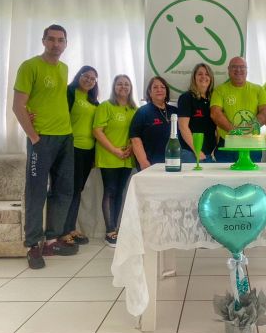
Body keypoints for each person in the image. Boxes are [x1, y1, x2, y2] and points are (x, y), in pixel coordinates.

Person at [12, 24, 78, 269]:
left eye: (61, 40)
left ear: (66, 44)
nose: (56, 44)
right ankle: (32, 245)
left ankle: (51, 240)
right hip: (41, 139)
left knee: (64, 191)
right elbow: (17, 106)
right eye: (51, 39)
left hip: (65, 137)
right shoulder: (29, 66)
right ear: (43, 41)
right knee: (36, 192)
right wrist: (34, 138)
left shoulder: (64, 68)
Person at [93, 75, 137, 247]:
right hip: (109, 156)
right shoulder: (106, 106)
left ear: (131, 88)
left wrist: (130, 148)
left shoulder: (134, 109)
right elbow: (97, 131)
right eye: (119, 84)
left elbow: (137, 133)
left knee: (120, 191)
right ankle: (109, 231)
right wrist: (114, 150)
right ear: (114, 87)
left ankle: (116, 228)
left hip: (127, 157)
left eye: (126, 84)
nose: (123, 87)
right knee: (110, 190)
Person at [60, 66, 99, 245]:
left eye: (93, 79)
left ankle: (71, 228)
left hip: (88, 151)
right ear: (79, 76)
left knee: (78, 190)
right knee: (68, 190)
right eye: (86, 76)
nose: (89, 80)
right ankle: (62, 231)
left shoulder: (94, 102)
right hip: (71, 148)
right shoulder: (69, 93)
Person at [210, 56, 266, 162]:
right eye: (234, 67)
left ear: (247, 70)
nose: (238, 70)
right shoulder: (220, 90)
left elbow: (265, 113)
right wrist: (234, 131)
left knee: (250, 173)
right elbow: (215, 113)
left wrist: (251, 127)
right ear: (228, 70)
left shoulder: (259, 90)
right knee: (224, 173)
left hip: (252, 145)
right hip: (227, 145)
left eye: (242, 67)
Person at [130, 76, 178, 169]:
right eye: (155, 87)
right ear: (150, 92)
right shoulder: (142, 112)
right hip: (150, 164)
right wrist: (143, 162)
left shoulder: (175, 111)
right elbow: (135, 139)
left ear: (166, 91)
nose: (159, 90)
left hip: (174, 162)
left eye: (162, 87)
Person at [177, 63, 216, 163]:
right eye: (200, 74)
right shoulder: (186, 98)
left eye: (207, 74)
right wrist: (196, 151)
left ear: (211, 78)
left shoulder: (214, 99)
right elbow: (183, 127)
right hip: (190, 153)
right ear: (194, 77)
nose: (204, 77)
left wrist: (215, 149)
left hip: (209, 154)